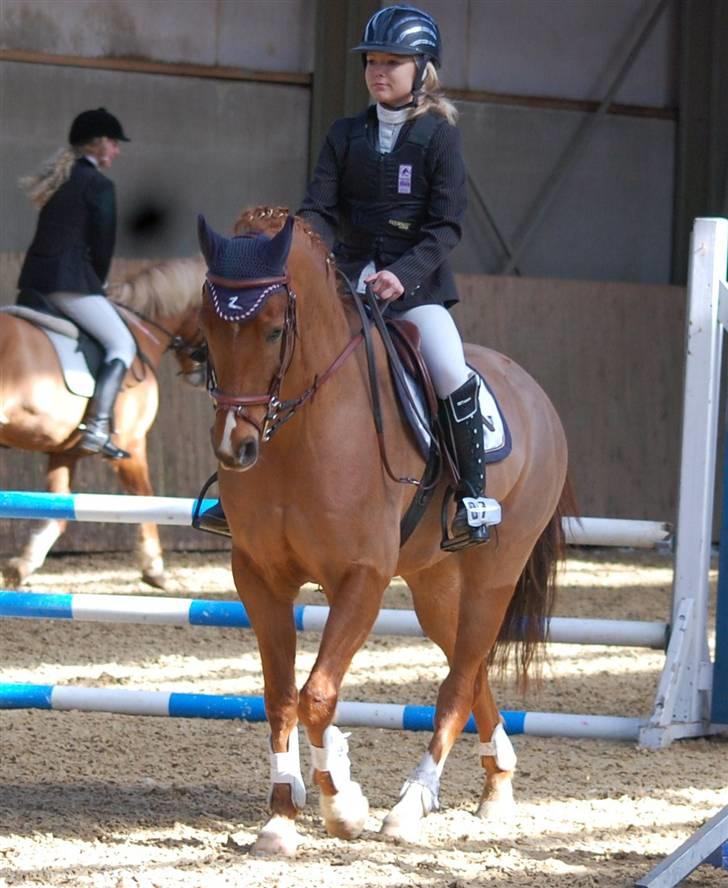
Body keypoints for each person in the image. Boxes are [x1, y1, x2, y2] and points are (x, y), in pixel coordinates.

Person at [297, 4, 493, 550]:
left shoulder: (438, 137)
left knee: (451, 369)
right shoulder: (344, 135)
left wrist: (401, 277)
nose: (378, 71)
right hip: (347, 284)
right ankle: (249, 488)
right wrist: (308, 256)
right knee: (287, 355)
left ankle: (473, 497)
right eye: (372, 62)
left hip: (416, 291)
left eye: (392, 62)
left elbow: (446, 226)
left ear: (421, 68)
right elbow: (317, 208)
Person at [17, 107, 136, 460]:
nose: (117, 151)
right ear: (98, 144)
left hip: (34, 284)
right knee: (122, 344)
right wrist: (99, 283)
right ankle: (98, 427)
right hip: (70, 283)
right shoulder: (99, 185)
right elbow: (102, 245)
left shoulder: (60, 181)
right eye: (114, 143)